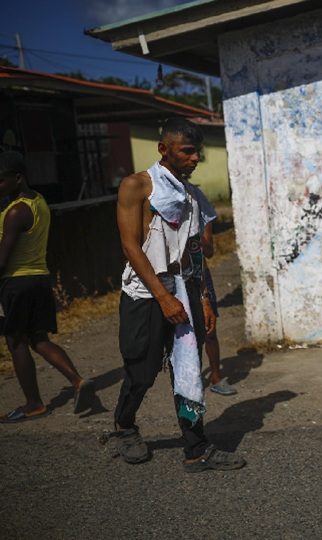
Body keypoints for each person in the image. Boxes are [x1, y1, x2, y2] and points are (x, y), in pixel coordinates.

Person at [108, 118, 245, 471]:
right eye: (187, 151)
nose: (195, 157)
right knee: (143, 369)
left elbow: (192, 251)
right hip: (144, 293)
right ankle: (124, 425)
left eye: (196, 151)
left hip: (183, 288)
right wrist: (163, 298)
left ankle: (196, 448)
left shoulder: (191, 195)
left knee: (186, 369)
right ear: (163, 149)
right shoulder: (137, 186)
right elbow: (130, 246)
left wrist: (201, 297)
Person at [0, 151, 94, 422]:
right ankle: (77, 380)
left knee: (16, 341)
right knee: (39, 339)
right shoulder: (38, 201)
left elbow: (3, 259)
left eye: (1, 181)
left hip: (16, 282)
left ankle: (34, 404)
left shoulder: (15, 212)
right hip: (39, 279)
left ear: (18, 178)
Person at [199, 219, 236, 396]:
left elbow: (209, 252)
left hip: (200, 276)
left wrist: (192, 237)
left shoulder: (201, 212)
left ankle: (216, 377)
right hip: (175, 279)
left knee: (210, 330)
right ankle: (189, 378)